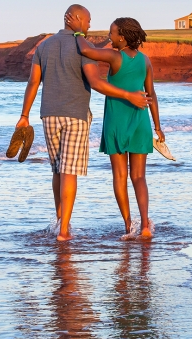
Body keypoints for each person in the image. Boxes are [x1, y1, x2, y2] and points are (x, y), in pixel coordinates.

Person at [15, 5, 151, 241]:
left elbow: (33, 82)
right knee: (69, 171)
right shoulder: (83, 49)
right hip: (76, 114)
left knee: (57, 169)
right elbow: (96, 83)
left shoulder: (44, 46)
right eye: (88, 20)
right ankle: (65, 230)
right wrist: (129, 96)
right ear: (76, 19)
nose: (89, 25)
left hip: (48, 114)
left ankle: (59, 223)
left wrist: (24, 115)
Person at [65, 13, 164, 239]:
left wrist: (78, 31)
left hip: (116, 122)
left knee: (120, 176)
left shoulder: (114, 57)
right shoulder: (145, 60)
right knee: (139, 177)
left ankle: (129, 226)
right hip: (141, 122)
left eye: (112, 32)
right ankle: (146, 226)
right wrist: (158, 126)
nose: (110, 36)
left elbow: (86, 51)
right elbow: (152, 94)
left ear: (122, 37)